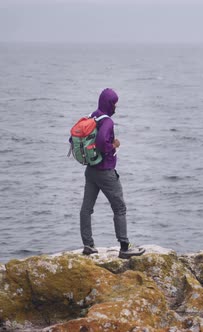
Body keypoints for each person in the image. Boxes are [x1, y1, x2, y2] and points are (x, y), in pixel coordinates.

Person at [79, 88, 145, 259]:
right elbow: (101, 143)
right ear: (109, 104)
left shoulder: (93, 115)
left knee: (87, 208)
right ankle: (124, 247)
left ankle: (88, 245)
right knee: (119, 208)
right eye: (114, 103)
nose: (116, 107)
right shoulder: (107, 121)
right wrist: (113, 146)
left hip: (91, 171)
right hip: (105, 172)